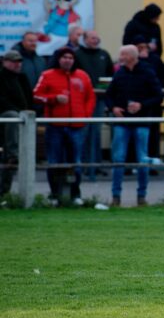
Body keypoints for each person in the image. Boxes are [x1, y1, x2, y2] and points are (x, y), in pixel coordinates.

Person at [33, 47, 95, 206]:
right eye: (64, 57)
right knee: (54, 161)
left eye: (70, 57)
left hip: (77, 126)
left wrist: (86, 116)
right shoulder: (47, 75)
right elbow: (36, 95)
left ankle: (75, 194)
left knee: (76, 162)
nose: (68, 60)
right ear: (58, 59)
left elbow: (90, 98)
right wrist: (53, 99)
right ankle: (55, 195)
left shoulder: (82, 75)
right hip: (55, 126)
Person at [105, 45, 164, 207]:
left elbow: (158, 95)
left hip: (142, 121)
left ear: (132, 56)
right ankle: (116, 196)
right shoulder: (119, 73)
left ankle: (142, 196)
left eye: (123, 54)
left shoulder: (147, 72)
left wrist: (142, 105)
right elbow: (109, 95)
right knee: (118, 158)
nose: (120, 56)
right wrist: (114, 108)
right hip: (122, 122)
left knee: (142, 159)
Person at [75, 30, 114, 181]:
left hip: (99, 98)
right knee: (84, 130)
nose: (95, 40)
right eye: (92, 38)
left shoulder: (104, 54)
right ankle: (83, 164)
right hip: (82, 98)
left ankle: (96, 165)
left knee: (96, 131)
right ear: (84, 39)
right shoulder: (77, 54)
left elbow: (110, 74)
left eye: (97, 38)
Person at [0, 50, 32, 195]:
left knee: (10, 162)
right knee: (7, 156)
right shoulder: (1, 77)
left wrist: (27, 112)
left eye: (19, 61)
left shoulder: (22, 78)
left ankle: (4, 192)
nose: (17, 64)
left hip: (20, 120)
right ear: (5, 62)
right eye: (14, 61)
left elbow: (29, 98)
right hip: (6, 120)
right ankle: (14, 152)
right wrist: (19, 113)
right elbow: (1, 100)